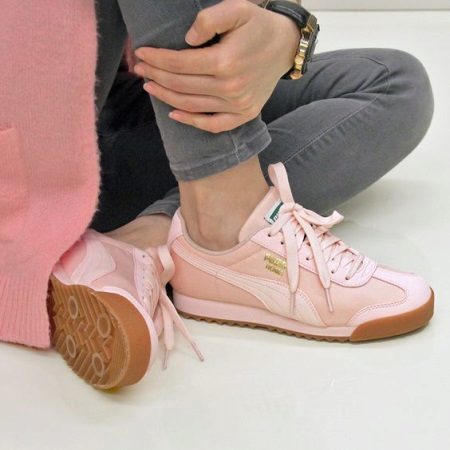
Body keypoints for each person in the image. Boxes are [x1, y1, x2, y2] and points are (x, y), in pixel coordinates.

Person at [0, 0, 434, 389]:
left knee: (393, 82)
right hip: (32, 138)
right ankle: (225, 222)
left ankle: (154, 236)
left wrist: (285, 27)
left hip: (131, 95)